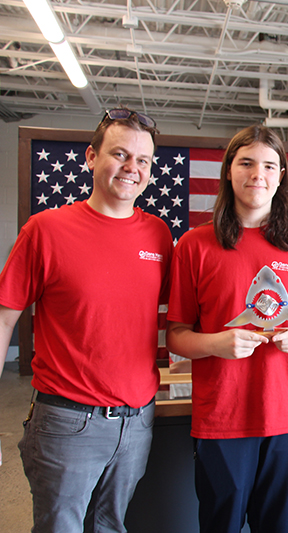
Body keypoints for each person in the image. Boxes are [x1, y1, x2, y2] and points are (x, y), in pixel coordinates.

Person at [0, 107, 171, 532]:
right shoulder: (45, 230)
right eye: (120, 154)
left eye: (143, 161)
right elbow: (4, 320)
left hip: (137, 423)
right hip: (66, 423)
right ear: (91, 157)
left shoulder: (158, 235)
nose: (132, 168)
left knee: (111, 526)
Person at [166, 125, 288, 533]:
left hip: (287, 416)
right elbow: (177, 335)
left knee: (277, 525)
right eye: (247, 162)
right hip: (222, 416)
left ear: (282, 175)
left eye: (269, 165)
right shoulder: (194, 245)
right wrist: (217, 343)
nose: (258, 173)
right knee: (220, 524)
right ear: (228, 171)